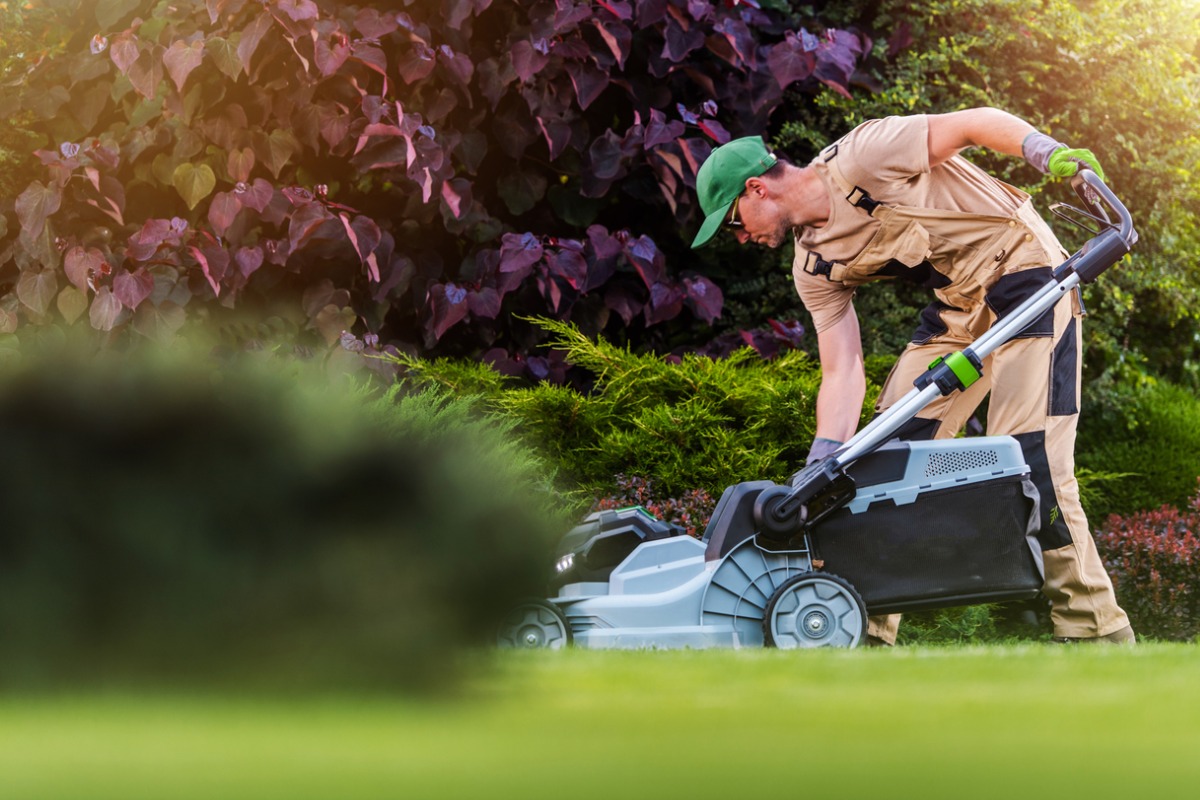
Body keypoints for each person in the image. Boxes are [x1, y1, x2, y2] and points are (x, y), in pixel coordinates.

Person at [690, 108, 1134, 646]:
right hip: (959, 310)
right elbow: (843, 368)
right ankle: (862, 631)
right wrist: (825, 458)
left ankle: (1095, 633)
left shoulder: (865, 155)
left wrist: (1044, 151)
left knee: (1032, 458)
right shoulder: (813, 265)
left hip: (1027, 276)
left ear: (757, 189)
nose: (740, 239)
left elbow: (975, 122)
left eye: (733, 222)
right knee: (879, 463)